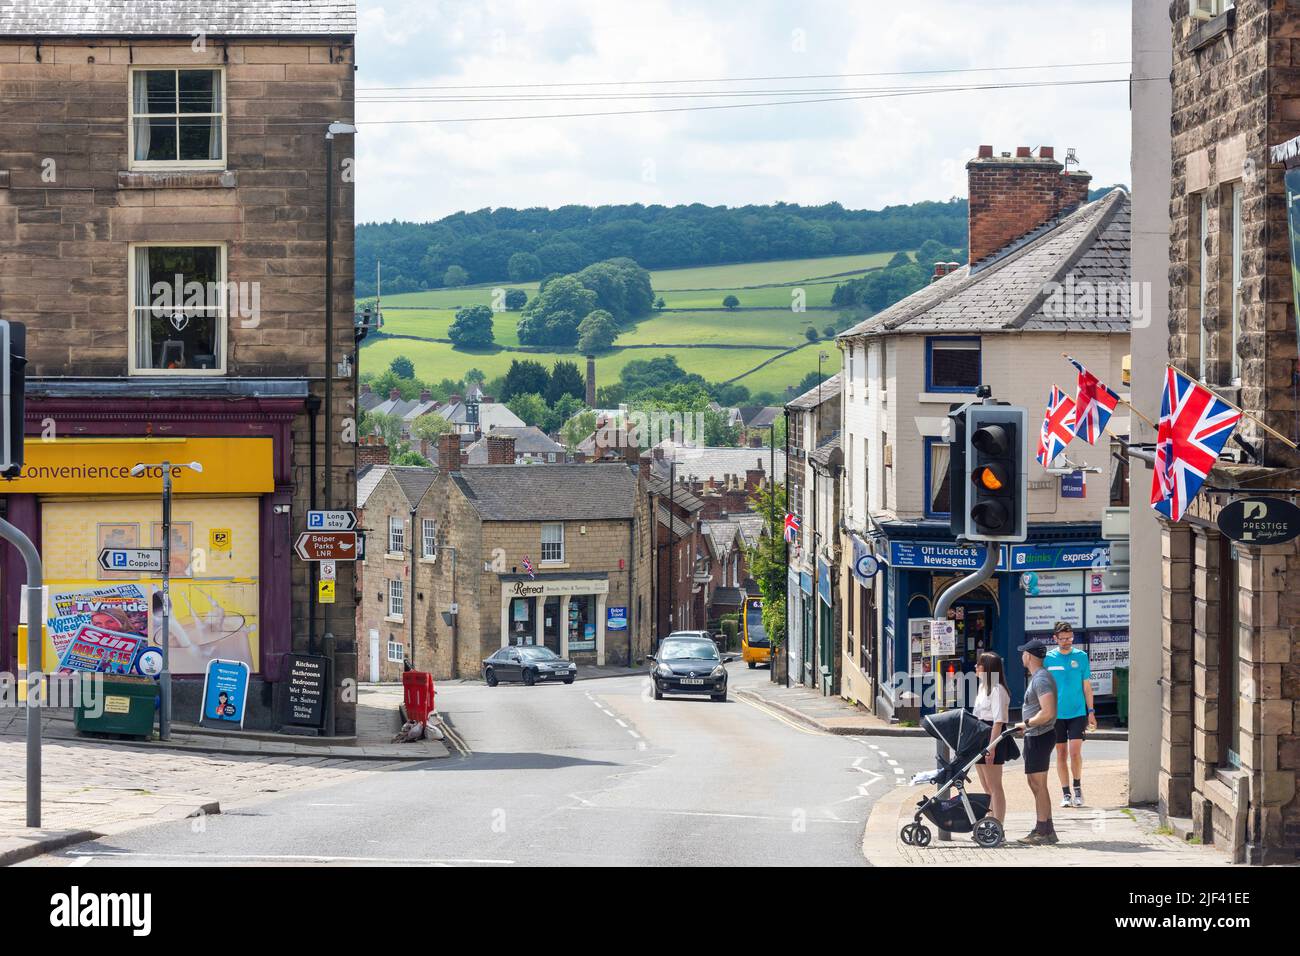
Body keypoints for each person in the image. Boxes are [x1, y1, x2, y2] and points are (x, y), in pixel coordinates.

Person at [1045, 622, 1096, 808]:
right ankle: (1065, 792)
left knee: (1075, 752)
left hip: (1077, 712)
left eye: (1070, 638)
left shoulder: (1081, 657)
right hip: (1056, 714)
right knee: (1060, 753)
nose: (1067, 642)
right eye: (1063, 639)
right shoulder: (1048, 659)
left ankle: (1077, 787)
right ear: (1055, 639)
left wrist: (1091, 711)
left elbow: (1087, 687)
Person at [1014, 637, 1058, 845]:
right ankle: (1046, 828)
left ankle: (1043, 831)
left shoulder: (1040, 679)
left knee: (1037, 784)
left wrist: (1026, 723)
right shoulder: (1040, 677)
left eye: (1023, 652)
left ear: (1029, 656)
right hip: (1037, 735)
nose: (1022, 655)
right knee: (1038, 784)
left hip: (1040, 735)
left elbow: (1047, 712)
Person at [972, 651, 1012, 832]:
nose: (976, 667)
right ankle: (989, 822)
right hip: (980, 736)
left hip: (992, 737)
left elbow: (998, 720)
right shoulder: (983, 687)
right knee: (985, 785)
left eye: (979, 664)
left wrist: (991, 747)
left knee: (995, 785)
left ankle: (998, 826)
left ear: (987, 668)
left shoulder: (997, 690)